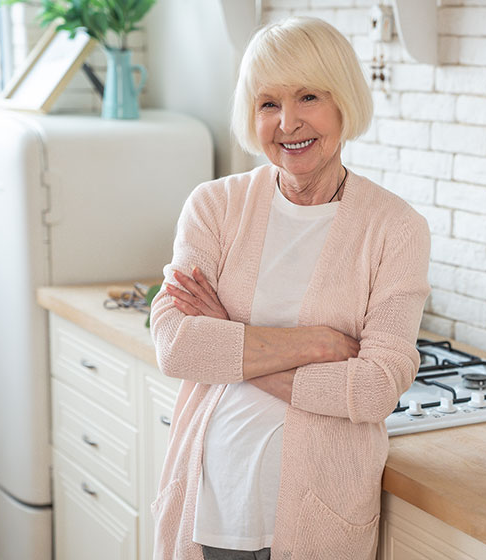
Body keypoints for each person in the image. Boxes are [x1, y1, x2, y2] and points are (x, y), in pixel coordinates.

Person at [149, 16, 430, 560]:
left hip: (319, 519)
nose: (288, 122)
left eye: (308, 97)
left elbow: (375, 389)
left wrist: (229, 336)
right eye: (268, 103)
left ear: (343, 101)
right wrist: (316, 344)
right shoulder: (215, 206)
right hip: (208, 511)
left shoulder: (395, 228)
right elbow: (176, 345)